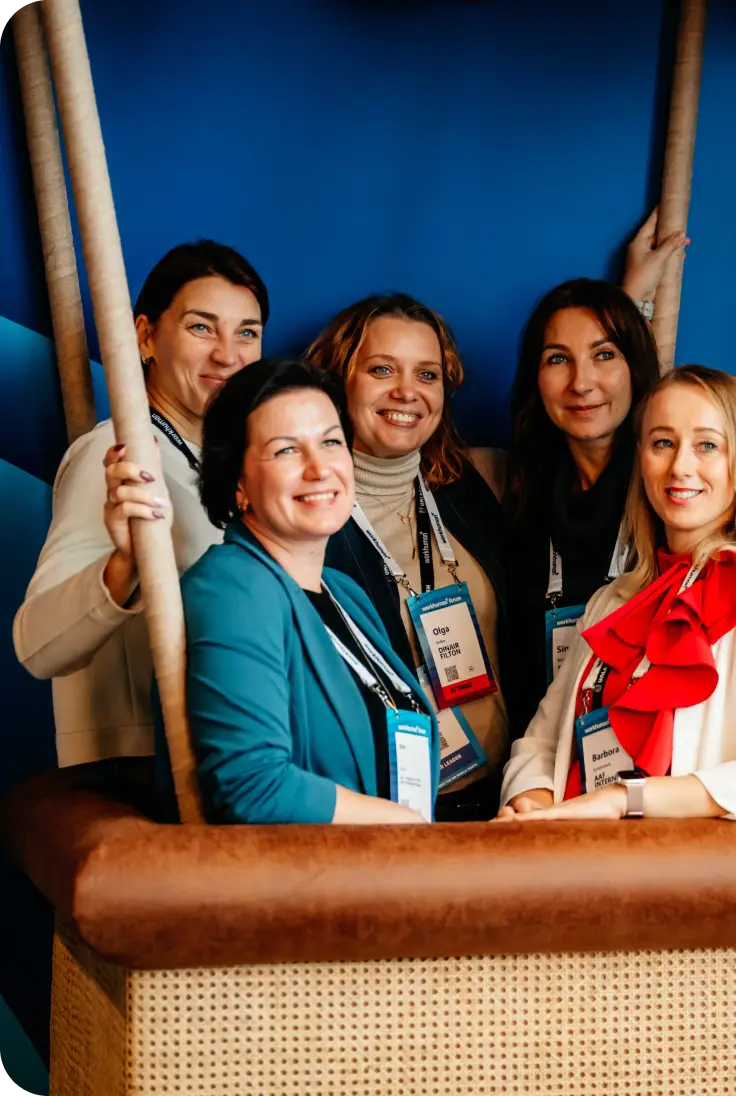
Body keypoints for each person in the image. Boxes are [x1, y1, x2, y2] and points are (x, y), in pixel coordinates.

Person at [503, 191, 736, 737]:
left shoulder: (680, 479)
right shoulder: (519, 487)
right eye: (557, 360)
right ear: (535, 378)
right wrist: (621, 302)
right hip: (545, 762)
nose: (582, 381)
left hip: (658, 768)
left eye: (606, 355)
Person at [496, 365, 736, 822]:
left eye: (707, 445)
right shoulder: (611, 601)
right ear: (641, 458)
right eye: (662, 443)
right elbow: (542, 742)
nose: (680, 466)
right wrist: (532, 811)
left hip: (687, 878)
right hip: (573, 866)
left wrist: (622, 798)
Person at [13, 240, 268, 767]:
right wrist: (124, 565)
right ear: (146, 337)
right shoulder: (114, 456)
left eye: (247, 333)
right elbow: (37, 644)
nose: (228, 354)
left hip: (230, 763)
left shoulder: (240, 465)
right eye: (202, 327)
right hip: (144, 772)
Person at [154, 359, 440, 825]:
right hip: (299, 890)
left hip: (386, 880)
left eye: (330, 442)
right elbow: (251, 787)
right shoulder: (230, 588)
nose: (318, 468)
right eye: (286, 451)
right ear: (239, 481)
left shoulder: (346, 595)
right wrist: (411, 828)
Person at [307, 294, 508, 822]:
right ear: (336, 379)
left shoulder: (471, 488)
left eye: (427, 374)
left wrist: (635, 309)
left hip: (508, 806)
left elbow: (592, 419)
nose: (407, 392)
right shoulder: (306, 516)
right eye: (381, 369)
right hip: (390, 818)